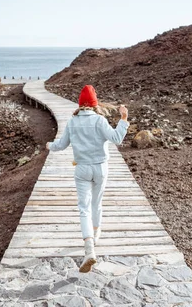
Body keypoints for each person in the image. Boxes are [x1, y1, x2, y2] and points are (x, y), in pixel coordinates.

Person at [46, 85, 129, 273]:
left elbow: (62, 144)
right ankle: (96, 235)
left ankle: (89, 248)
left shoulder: (72, 121)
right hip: (100, 167)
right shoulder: (100, 120)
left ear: (80, 103)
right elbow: (116, 138)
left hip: (82, 168)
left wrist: (49, 145)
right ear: (94, 103)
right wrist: (123, 119)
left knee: (83, 208)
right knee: (96, 204)